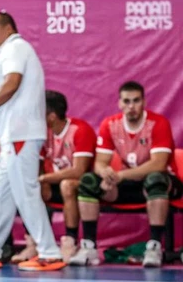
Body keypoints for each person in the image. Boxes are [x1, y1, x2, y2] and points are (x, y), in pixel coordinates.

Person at [0, 12, 65, 272]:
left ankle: (49, 252)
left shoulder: (16, 47)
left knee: (26, 193)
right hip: (12, 135)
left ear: (8, 28)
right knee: (5, 195)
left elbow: (12, 84)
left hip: (22, 134)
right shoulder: (8, 52)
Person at [75, 81, 182, 268]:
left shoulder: (158, 123)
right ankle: (89, 247)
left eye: (136, 101)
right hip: (128, 183)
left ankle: (154, 246)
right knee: (89, 181)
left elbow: (158, 164)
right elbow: (100, 162)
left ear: (144, 102)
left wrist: (121, 176)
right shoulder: (110, 124)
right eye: (127, 101)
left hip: (164, 182)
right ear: (119, 103)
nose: (131, 106)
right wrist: (105, 173)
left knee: (155, 179)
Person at [9, 90, 96, 263]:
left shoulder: (80, 130)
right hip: (54, 181)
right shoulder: (41, 134)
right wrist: (42, 180)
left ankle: (70, 241)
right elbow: (36, 164)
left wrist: (45, 179)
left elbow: (79, 171)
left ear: (52, 116)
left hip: (82, 185)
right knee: (29, 186)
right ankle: (33, 243)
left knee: (67, 185)